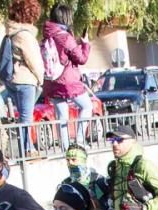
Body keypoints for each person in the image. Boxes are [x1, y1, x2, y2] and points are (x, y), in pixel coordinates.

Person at [41, 3, 93, 150]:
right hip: (68, 81)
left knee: (61, 115)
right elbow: (81, 59)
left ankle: (65, 148)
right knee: (86, 106)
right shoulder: (65, 37)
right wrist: (85, 45)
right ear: (66, 18)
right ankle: (80, 142)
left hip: (52, 81)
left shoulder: (46, 36)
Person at [3, 0, 45, 155]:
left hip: (13, 79)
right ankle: (27, 150)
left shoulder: (11, 33)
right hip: (25, 80)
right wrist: (41, 78)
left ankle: (26, 149)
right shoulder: (24, 35)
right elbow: (33, 60)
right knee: (26, 118)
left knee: (23, 116)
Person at [62, 143, 110, 210]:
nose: (70, 163)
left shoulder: (97, 180)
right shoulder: (66, 184)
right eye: (68, 160)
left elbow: (109, 204)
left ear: (83, 160)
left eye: (74, 159)